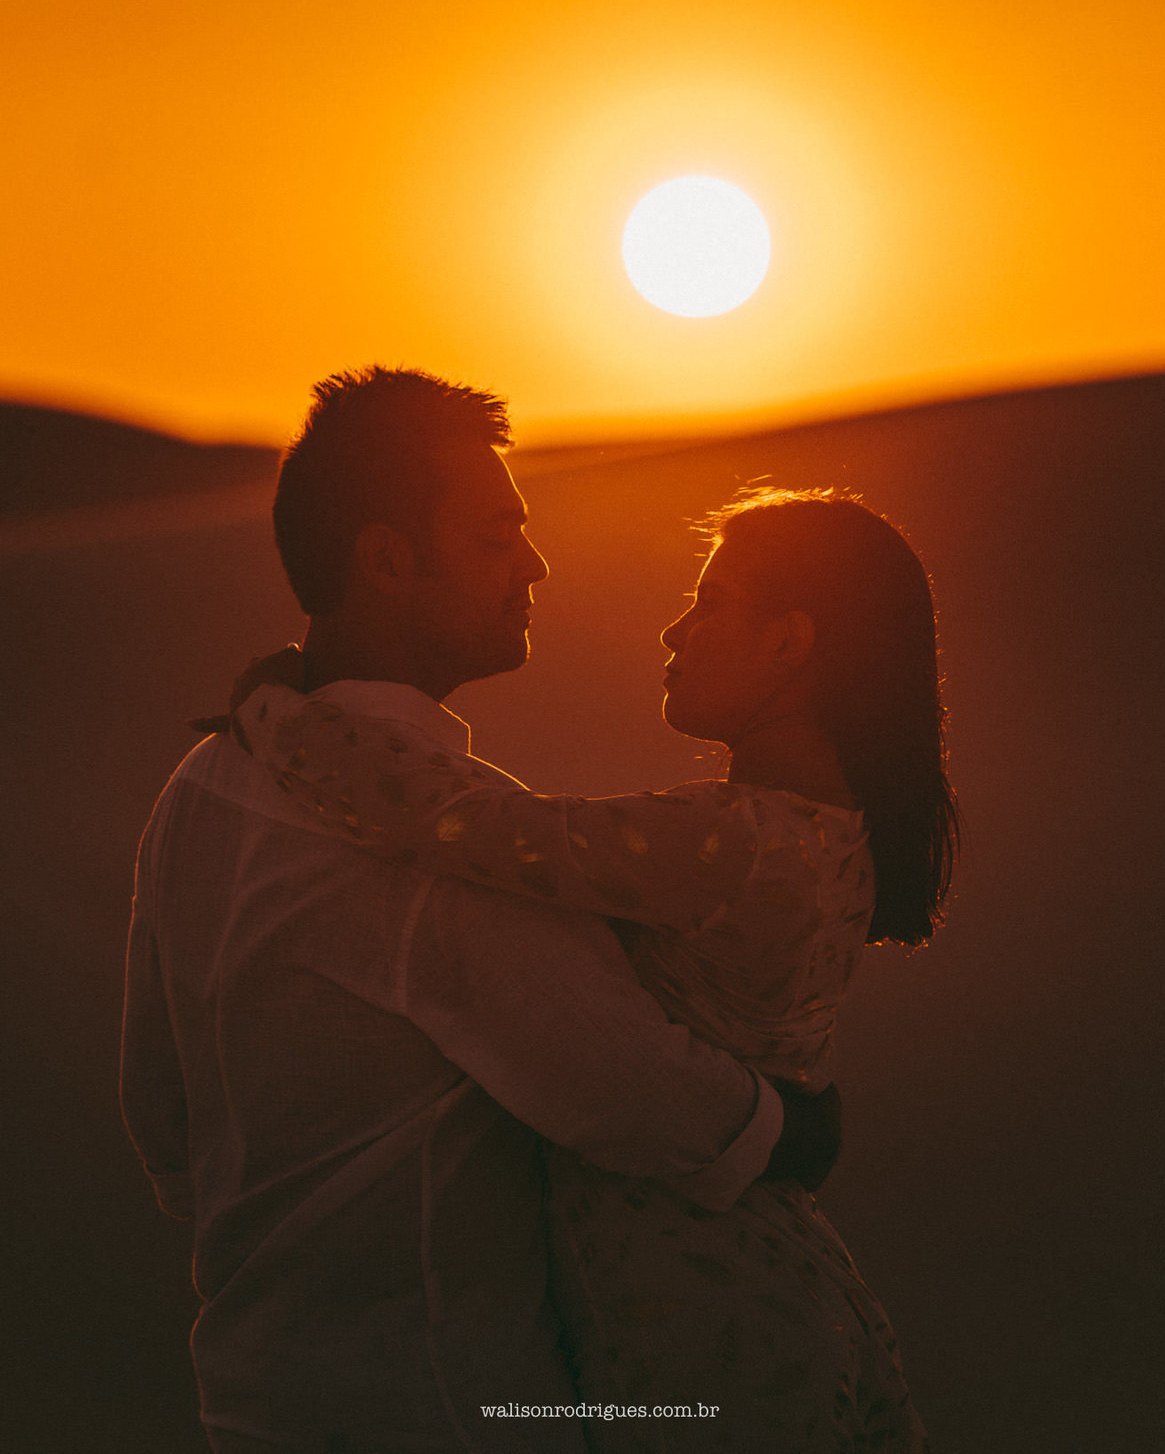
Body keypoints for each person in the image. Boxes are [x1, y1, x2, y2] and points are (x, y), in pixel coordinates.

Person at [120, 365, 841, 1454]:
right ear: (388, 562)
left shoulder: (198, 790)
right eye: (497, 537)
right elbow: (635, 1095)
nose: (534, 565)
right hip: (448, 1409)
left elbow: (164, 1128)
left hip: (250, 1407)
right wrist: (795, 1127)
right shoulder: (447, 847)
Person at [230, 475, 959, 1450]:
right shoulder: (830, 839)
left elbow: (460, 822)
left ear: (791, 643)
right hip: (792, 1290)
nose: (674, 632)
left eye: (710, 603)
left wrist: (272, 712)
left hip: (699, 1316)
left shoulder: (733, 843)